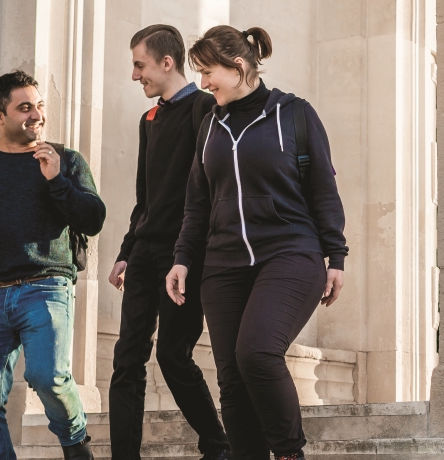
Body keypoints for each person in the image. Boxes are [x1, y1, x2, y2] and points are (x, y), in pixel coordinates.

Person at [166, 25, 348, 460]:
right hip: (223, 265)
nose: (204, 83)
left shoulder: (295, 114)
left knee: (257, 353)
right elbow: (197, 204)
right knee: (231, 376)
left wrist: (336, 255)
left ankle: (288, 453)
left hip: (290, 253)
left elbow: (323, 189)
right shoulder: (210, 126)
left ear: (239, 67)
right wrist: (182, 260)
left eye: (209, 73)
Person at [0, 70, 105, 460]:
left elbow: (93, 219)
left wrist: (57, 180)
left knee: (49, 377)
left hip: (46, 288)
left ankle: (75, 441)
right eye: (24, 107)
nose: (36, 115)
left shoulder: (66, 159)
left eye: (39, 105)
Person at [107, 24, 230, 460]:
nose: (135, 74)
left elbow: (211, 188)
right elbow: (146, 196)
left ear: (166, 62)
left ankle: (217, 446)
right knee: (126, 361)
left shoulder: (205, 108)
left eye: (140, 65)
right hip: (145, 252)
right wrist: (126, 250)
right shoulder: (148, 120)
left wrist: (195, 250)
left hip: (186, 254)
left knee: (174, 357)